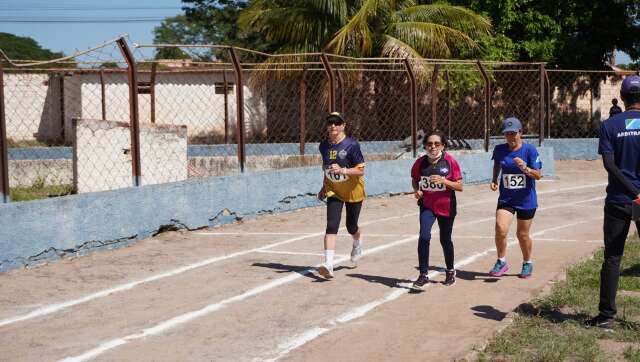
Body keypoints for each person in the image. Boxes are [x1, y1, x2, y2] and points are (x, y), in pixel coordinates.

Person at [586, 75, 640, 329]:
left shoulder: (610, 125)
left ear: (624, 96)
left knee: (613, 258)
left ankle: (607, 316)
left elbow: (609, 164)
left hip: (619, 199)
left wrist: (632, 191)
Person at [488, 117, 543, 279]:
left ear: (521, 133)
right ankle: (501, 261)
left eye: (513, 134)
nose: (511, 137)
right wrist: (494, 179)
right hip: (507, 198)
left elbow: (538, 175)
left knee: (522, 234)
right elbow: (497, 163)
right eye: (507, 134)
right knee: (500, 228)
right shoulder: (499, 150)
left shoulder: (530, 151)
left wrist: (525, 168)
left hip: (526, 199)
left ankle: (527, 262)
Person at [410, 130, 464, 289]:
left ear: (443, 146)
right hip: (427, 206)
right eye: (429, 144)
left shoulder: (450, 162)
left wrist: (444, 181)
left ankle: (450, 270)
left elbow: (460, 186)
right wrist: (417, 191)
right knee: (424, 236)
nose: (433, 147)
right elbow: (415, 180)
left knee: (445, 239)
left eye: (436, 144)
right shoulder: (420, 163)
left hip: (446, 206)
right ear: (425, 146)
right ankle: (423, 274)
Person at [316, 112, 366, 279]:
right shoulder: (323, 145)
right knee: (331, 225)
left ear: (343, 125)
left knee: (351, 226)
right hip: (334, 190)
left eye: (337, 123)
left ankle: (357, 242)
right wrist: (324, 186)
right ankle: (328, 264)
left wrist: (343, 170)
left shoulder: (352, 145)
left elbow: (361, 170)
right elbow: (327, 167)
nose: (333, 126)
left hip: (353, 191)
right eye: (330, 123)